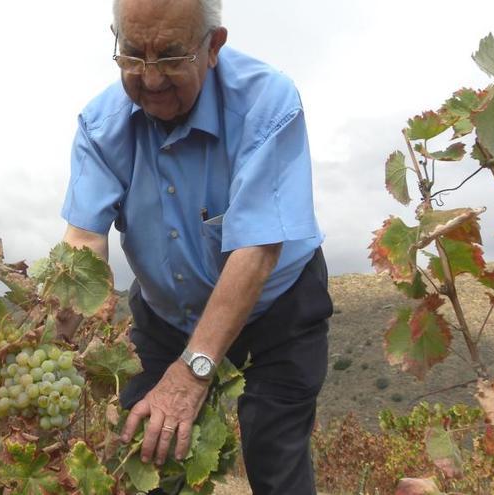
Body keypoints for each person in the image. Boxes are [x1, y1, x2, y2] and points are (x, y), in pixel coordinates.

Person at [59, 0, 333, 493]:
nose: (151, 78)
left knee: (275, 458)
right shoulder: (100, 124)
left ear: (213, 48)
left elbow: (257, 252)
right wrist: (71, 318)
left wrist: (193, 372)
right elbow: (84, 239)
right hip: (166, 314)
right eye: (133, 55)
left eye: (169, 56)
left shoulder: (267, 101)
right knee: (145, 450)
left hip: (278, 308)